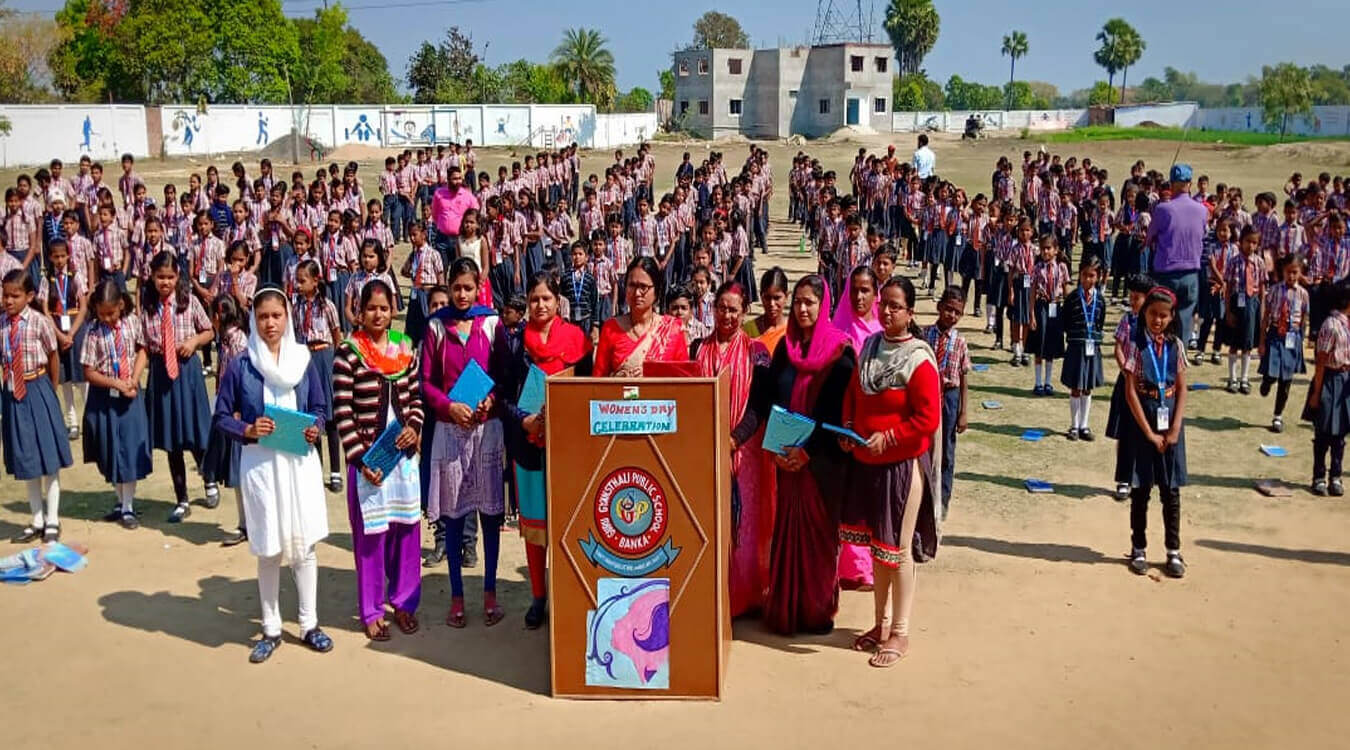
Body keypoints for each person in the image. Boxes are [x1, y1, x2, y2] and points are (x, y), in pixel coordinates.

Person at [214, 287, 333, 663]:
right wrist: (248, 430)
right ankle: (270, 627)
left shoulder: (303, 360)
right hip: (262, 466)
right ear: (254, 320)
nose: (270, 323)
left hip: (299, 465)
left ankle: (309, 623)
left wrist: (315, 427)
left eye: (276, 316)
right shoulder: (242, 364)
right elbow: (221, 416)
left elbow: (319, 407)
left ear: (287, 318)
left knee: (304, 546)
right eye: (263, 317)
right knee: (269, 548)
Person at [839, 275, 941, 667]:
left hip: (902, 465)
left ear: (911, 313)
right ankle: (878, 624)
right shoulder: (869, 347)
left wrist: (891, 436)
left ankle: (900, 631)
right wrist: (848, 428)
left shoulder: (918, 358)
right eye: (885, 304)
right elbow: (853, 393)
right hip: (866, 461)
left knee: (897, 550)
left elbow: (927, 418)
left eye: (896, 306)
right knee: (876, 547)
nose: (886, 310)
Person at [749, 274, 855, 635]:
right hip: (786, 460)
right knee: (786, 533)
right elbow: (770, 400)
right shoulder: (785, 349)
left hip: (820, 464)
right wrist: (780, 449)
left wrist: (808, 451)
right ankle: (786, 609)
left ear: (823, 305)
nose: (803, 308)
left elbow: (839, 411)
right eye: (798, 302)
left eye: (810, 302)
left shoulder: (841, 352)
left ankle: (814, 610)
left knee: (818, 539)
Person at [495, 271, 592, 629]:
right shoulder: (514, 342)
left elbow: (589, 391)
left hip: (569, 447)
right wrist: (524, 421)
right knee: (536, 528)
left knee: (569, 523)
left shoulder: (577, 340)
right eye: (534, 299)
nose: (539, 305)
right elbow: (502, 396)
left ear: (558, 302)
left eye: (546, 299)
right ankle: (539, 596)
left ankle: (568, 594)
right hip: (528, 445)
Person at [333, 279, 425, 641]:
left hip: (402, 457)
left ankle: (404, 602)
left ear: (393, 310)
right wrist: (359, 459)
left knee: (406, 532)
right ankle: (371, 610)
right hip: (368, 460)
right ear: (359, 309)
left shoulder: (405, 349)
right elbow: (342, 410)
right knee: (370, 538)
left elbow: (416, 398)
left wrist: (414, 428)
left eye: (384, 308)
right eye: (371, 307)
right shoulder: (349, 352)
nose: (378, 314)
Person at [421, 257, 506, 628]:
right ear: (448, 286)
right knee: (455, 516)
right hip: (451, 430)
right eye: (455, 287)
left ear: (478, 287)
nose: (461, 294)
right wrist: (448, 406)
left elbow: (504, 373)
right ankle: (457, 596)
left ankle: (490, 591)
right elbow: (425, 382)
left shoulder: (491, 322)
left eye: (467, 288)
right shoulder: (436, 327)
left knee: (489, 515)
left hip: (487, 429)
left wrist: (492, 399)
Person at [693, 281, 771, 617]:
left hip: (744, 453)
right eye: (722, 308)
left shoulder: (758, 353)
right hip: (702, 451)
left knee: (744, 526)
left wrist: (734, 438)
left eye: (734, 310)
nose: (727, 315)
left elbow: (760, 405)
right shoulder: (695, 347)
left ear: (745, 312)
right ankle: (710, 594)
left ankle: (743, 597)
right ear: (713, 309)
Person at [1120, 286, 1189, 578]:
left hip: (1170, 419)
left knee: (1170, 490)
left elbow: (1183, 388)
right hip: (1143, 422)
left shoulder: (1176, 347)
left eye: (1163, 315)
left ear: (1172, 317)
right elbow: (1131, 391)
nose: (1157, 320)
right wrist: (1148, 432)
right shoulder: (1137, 346)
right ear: (1144, 314)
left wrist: (1174, 429)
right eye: (1152, 314)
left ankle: (1173, 551)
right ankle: (1139, 548)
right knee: (1141, 488)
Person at [141, 252, 215, 521]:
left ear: (178, 277)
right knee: (172, 439)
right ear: (151, 277)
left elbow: (209, 331)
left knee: (194, 431)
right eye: (160, 277)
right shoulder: (148, 307)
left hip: (188, 371)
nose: (165, 282)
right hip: (161, 374)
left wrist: (194, 342)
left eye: (170, 277)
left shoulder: (189, 302)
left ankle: (208, 478)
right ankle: (181, 498)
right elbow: (143, 345)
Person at [3, 269, 73, 543]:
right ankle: (36, 518)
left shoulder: (40, 322)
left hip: (39, 387)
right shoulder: (1, 324)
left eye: (15, 296)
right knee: (27, 458)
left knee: (48, 458)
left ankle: (53, 519)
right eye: (5, 295)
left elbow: (53, 356)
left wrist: (50, 389)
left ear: (29, 296)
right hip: (13, 395)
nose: (8, 301)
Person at [80, 279, 152, 528]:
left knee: (130, 448)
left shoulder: (133, 322)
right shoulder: (92, 330)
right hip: (105, 396)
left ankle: (129, 506)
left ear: (121, 305)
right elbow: (88, 371)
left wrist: (133, 378)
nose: (107, 318)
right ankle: (120, 501)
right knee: (110, 448)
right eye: (102, 314)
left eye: (111, 313)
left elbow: (142, 350)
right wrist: (115, 383)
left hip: (131, 391)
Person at [292, 259, 344, 492]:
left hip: (325, 357)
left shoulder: (328, 306)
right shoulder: (296, 307)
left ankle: (335, 471)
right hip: (305, 357)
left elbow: (336, 334)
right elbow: (295, 333)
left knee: (330, 417)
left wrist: (338, 362)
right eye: (297, 280)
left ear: (315, 281)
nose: (298, 285)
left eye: (302, 281)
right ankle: (316, 466)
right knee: (312, 413)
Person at [593, 257, 688, 377]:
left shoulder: (672, 329)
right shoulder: (611, 329)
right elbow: (599, 382)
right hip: (618, 395)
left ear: (656, 291)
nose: (637, 293)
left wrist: (652, 373)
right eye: (632, 285)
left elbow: (683, 380)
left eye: (643, 287)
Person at [1146, 164, 1208, 345]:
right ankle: (1180, 362)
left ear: (1171, 184)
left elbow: (1149, 238)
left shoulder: (1163, 209)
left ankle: (1162, 361)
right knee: (1185, 325)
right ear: (1190, 183)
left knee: (1161, 322)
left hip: (1166, 274)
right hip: (1191, 275)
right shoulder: (1202, 210)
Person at [924, 286, 970, 519]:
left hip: (950, 397)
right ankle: (924, 495)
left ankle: (943, 499)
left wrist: (964, 411)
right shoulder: (924, 335)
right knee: (926, 445)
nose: (951, 315)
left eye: (957, 312)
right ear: (939, 307)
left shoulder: (960, 341)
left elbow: (963, 377)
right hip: (928, 394)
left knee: (947, 451)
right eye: (948, 309)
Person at [1108, 275, 1154, 500]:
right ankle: (1124, 479)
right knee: (1125, 433)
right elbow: (1118, 347)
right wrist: (1126, 370)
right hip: (1127, 381)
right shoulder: (1127, 320)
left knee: (1146, 432)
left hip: (1147, 385)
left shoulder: (1155, 324)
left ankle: (1143, 477)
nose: (1133, 301)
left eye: (1138, 298)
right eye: (1131, 297)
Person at [1304, 280, 1350, 496]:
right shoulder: (1330, 325)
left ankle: (1336, 476)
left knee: (1340, 434)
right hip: (1329, 380)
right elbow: (1321, 361)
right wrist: (1316, 392)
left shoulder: (1348, 324)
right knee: (1323, 432)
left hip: (1345, 380)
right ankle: (1319, 476)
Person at [41, 238, 88, 438]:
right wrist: (59, 335)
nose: (59, 260)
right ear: (50, 258)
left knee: (83, 377)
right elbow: (45, 309)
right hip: (56, 328)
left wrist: (70, 334)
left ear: (68, 256)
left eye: (63, 256)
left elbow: (84, 305)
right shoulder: (47, 279)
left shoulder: (76, 276)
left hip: (76, 329)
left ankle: (89, 418)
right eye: (55, 257)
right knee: (65, 379)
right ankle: (72, 422)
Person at [1258, 254, 1309, 433]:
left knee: (1286, 380)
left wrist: (1300, 340)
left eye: (1295, 272)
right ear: (1282, 271)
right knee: (1272, 373)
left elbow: (1303, 318)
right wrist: (1262, 341)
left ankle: (1278, 416)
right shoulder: (1274, 290)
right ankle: (1267, 381)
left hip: (1292, 337)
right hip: (1275, 333)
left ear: (1300, 273)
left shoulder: (1303, 294)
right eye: (1288, 272)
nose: (1291, 276)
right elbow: (1266, 316)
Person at [1061, 257, 1107, 440]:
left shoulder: (1101, 301)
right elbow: (1065, 322)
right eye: (1084, 275)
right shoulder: (1072, 298)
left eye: (1092, 276)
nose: (1088, 279)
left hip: (1092, 347)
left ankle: (1084, 425)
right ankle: (1073, 425)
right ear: (1079, 275)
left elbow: (1100, 323)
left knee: (1088, 387)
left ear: (1097, 277)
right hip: (1076, 346)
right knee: (1075, 387)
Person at [1223, 226, 1265, 394]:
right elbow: (1228, 288)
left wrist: (1262, 313)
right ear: (1241, 241)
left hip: (1252, 303)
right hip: (1236, 302)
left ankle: (1244, 378)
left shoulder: (1260, 262)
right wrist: (1228, 311)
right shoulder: (1233, 261)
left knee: (1248, 343)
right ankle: (1232, 378)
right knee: (1234, 343)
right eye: (1248, 241)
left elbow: (1262, 289)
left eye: (1254, 243)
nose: (1251, 246)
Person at [1027, 234, 1069, 395]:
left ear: (1056, 250)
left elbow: (1065, 290)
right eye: (1043, 248)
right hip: (1041, 307)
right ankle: (1038, 382)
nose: (1045, 251)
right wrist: (1032, 314)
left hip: (1056, 307)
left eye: (1048, 248)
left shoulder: (1062, 267)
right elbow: (1032, 292)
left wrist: (1066, 311)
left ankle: (1048, 382)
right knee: (1040, 342)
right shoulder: (1037, 268)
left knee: (1051, 343)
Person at [744, 266, 789, 354]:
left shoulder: (794, 331)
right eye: (767, 298)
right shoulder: (748, 331)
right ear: (761, 296)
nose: (772, 304)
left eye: (777, 298)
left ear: (786, 296)